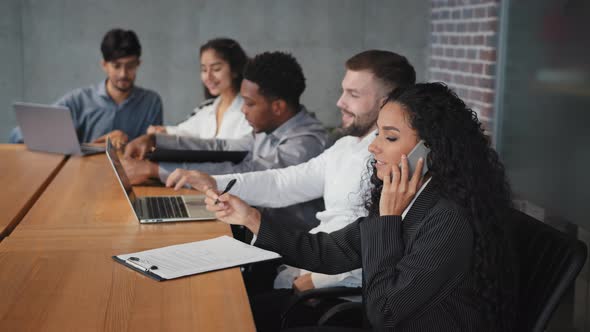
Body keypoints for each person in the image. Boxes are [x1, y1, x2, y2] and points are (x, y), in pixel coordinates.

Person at [204, 82, 518, 332]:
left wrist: (388, 220)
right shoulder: (409, 198)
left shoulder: (448, 218)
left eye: (390, 137)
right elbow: (329, 250)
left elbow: (385, 313)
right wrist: (252, 218)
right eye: (378, 132)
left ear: (431, 150)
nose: (373, 145)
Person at [166, 51, 416, 299]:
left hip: (326, 290)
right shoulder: (347, 146)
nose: (340, 102)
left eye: (353, 94)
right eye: (343, 91)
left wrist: (313, 281)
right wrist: (216, 183)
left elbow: (377, 242)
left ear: (387, 102)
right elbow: (283, 182)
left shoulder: (388, 160)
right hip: (303, 267)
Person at [9, 28, 163, 148]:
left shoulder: (151, 102)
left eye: (130, 66)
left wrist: (131, 143)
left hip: (134, 181)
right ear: (104, 65)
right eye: (116, 66)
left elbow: (155, 149)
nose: (123, 73)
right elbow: (18, 135)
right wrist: (89, 146)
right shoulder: (78, 100)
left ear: (138, 64)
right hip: (83, 179)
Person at [146, 38, 252, 140]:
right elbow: (184, 131)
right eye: (204, 70)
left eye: (216, 69)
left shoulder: (249, 110)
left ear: (235, 69)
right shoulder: (207, 110)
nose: (208, 77)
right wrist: (162, 131)